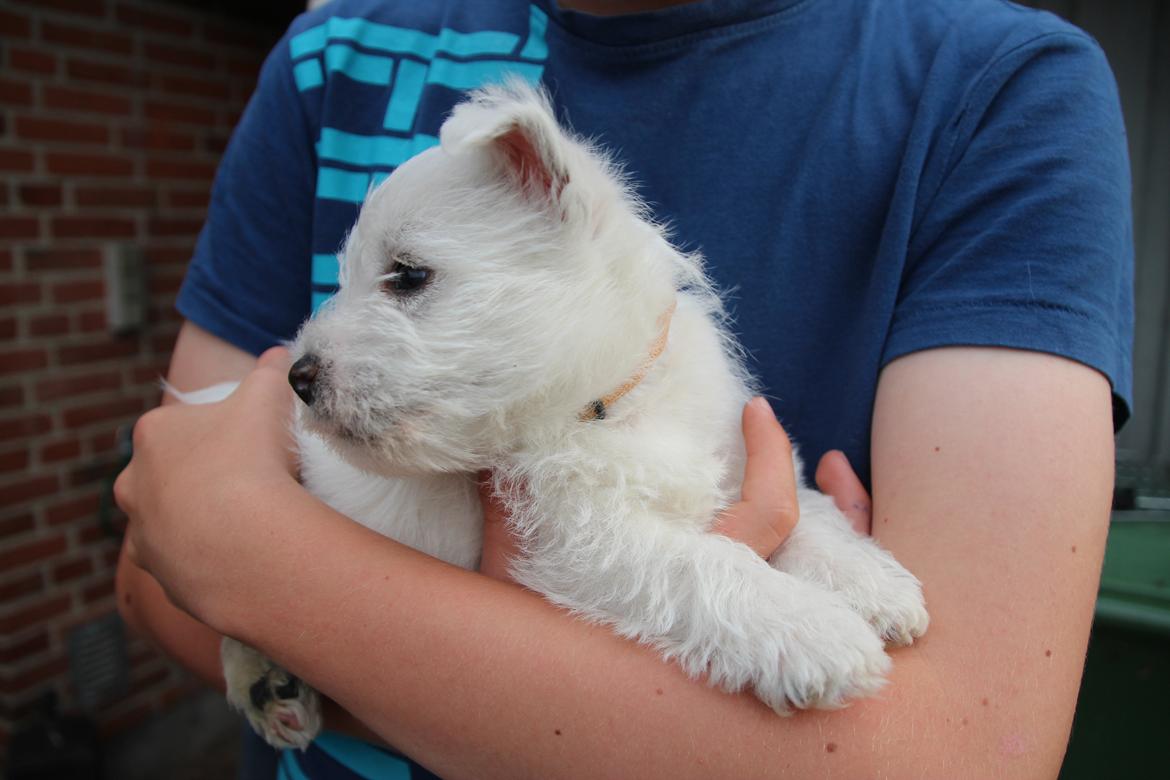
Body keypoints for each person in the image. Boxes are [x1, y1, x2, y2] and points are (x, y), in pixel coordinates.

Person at [113, 0, 1133, 777]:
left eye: (411, 282)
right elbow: (164, 559)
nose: (319, 348)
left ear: (557, 198)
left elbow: (953, 755)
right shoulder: (330, 54)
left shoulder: (995, 87)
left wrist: (265, 566)